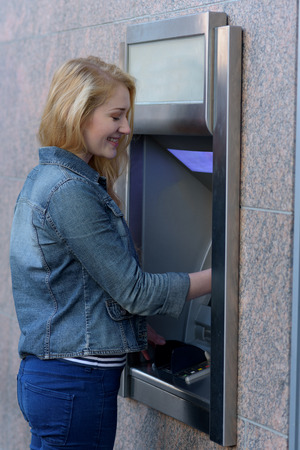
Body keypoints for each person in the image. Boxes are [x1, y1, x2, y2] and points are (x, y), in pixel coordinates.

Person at [10, 56, 211, 450]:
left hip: (58, 381)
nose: (127, 128)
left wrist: (136, 331)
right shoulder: (69, 192)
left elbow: (79, 285)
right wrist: (221, 277)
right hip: (75, 386)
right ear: (78, 114)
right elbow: (136, 292)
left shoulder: (48, 178)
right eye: (116, 115)